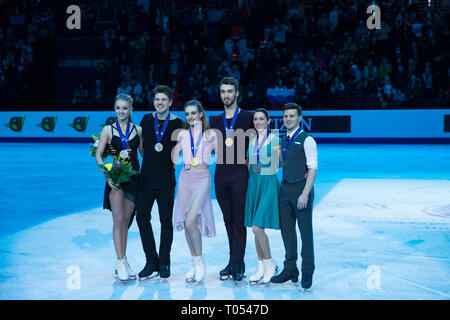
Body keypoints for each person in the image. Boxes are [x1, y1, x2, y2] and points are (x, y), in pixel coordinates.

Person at [135, 85, 184, 280]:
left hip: (166, 181)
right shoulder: (146, 120)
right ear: (153, 101)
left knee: (166, 222)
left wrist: (174, 159)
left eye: (164, 100)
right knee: (142, 218)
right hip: (146, 180)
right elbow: (140, 144)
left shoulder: (178, 122)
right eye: (157, 100)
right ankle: (151, 261)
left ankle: (164, 261)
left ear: (170, 102)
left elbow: (183, 145)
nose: (160, 103)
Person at [209, 76, 254, 282]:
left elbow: (258, 143)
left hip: (239, 175)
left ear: (237, 93)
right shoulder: (215, 120)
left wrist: (252, 160)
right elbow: (208, 146)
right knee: (228, 220)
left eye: (230, 91)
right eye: (223, 92)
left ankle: (238, 263)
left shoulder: (248, 117)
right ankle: (233, 260)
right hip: (220, 175)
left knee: (239, 221)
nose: (226, 95)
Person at [95, 93, 143, 281]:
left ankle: (123, 261)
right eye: (118, 108)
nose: (121, 111)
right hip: (115, 178)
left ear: (131, 109)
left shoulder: (138, 130)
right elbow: (99, 155)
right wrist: (107, 176)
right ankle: (120, 260)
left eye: (125, 108)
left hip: (133, 179)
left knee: (126, 220)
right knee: (118, 220)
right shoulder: (108, 130)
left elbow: (145, 154)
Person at [271, 103, 318, 290]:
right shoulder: (284, 140)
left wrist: (305, 193)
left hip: (301, 191)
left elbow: (313, 168)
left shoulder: (307, 140)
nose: (288, 119)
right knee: (287, 232)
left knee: (305, 233)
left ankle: (307, 270)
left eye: (291, 116)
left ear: (299, 118)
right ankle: (290, 269)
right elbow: (285, 163)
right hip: (285, 190)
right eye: (285, 116)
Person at [172, 100, 217, 283]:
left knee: (191, 221)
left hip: (202, 178)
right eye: (187, 114)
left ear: (201, 114)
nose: (190, 116)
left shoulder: (211, 134)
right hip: (185, 178)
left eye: (193, 113)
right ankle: (194, 260)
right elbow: (175, 155)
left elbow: (224, 153)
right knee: (186, 220)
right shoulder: (182, 134)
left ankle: (200, 260)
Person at [244, 108, 281, 284]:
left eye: (261, 119)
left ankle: (270, 263)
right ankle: (261, 266)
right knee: (255, 227)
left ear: (268, 121)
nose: (258, 122)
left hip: (268, 184)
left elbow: (280, 163)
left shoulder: (275, 139)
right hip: (254, 183)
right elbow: (248, 163)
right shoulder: (252, 140)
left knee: (257, 227)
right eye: (255, 119)